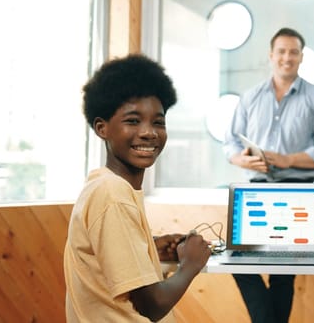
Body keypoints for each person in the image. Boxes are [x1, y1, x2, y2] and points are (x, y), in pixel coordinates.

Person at [64, 54, 211, 323]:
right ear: (102, 128)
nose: (149, 132)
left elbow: (105, 264)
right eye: (133, 121)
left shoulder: (103, 184)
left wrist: (149, 249)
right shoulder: (112, 194)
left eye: (158, 122)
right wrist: (191, 265)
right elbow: (151, 305)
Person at [223, 27, 314, 323]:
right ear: (271, 55)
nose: (287, 58)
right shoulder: (250, 97)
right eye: (281, 51)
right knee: (237, 261)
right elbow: (230, 143)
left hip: (300, 191)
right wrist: (243, 160)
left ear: (301, 57)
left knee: (282, 275)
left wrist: (288, 159)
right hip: (256, 190)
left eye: (293, 52)